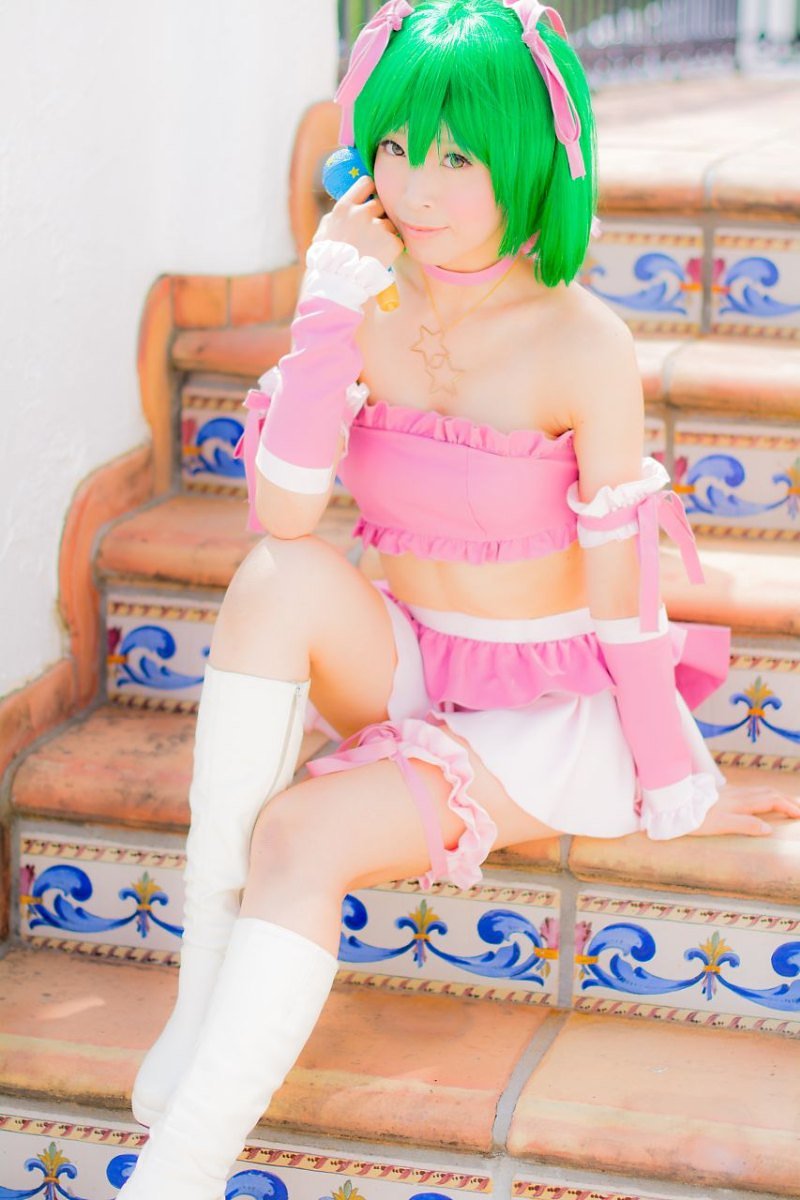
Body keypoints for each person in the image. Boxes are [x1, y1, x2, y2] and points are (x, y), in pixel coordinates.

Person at [118, 2, 800, 1195]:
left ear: (524, 161)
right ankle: (196, 1000)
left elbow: (621, 591)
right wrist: (327, 308)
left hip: (542, 716)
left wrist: (670, 774)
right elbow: (283, 512)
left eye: (454, 158)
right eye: (394, 148)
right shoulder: (366, 304)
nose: (414, 187)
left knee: (297, 837)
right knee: (276, 578)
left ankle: (174, 1173)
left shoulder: (579, 341)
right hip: (419, 659)